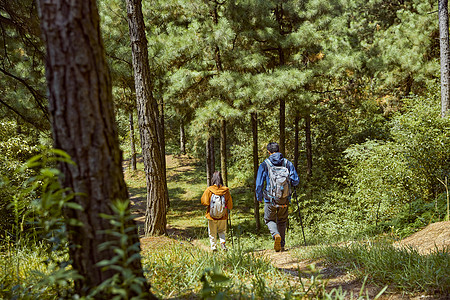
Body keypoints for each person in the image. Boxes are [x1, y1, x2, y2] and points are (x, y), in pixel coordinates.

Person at [255, 142, 299, 252]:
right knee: (282, 220)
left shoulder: (265, 164)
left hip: (270, 199)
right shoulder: (287, 163)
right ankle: (282, 244)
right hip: (284, 198)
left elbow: (259, 184)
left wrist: (258, 196)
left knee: (269, 219)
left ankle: (275, 235)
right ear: (279, 150)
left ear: (269, 152)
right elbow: (295, 180)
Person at [201, 171, 233, 251]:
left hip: (211, 216)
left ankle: (213, 246)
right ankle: (223, 244)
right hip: (223, 215)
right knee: (222, 231)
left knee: (212, 232)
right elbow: (230, 205)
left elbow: (205, 202)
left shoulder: (209, 190)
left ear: (213, 179)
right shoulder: (225, 190)